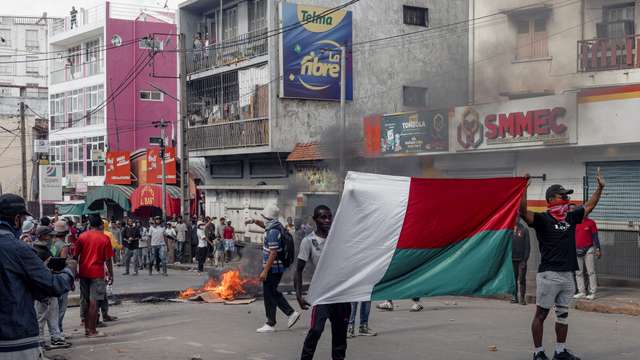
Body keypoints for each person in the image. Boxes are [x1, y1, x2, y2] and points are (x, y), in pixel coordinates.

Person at [520, 169, 605, 360]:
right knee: (541, 314)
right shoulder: (542, 219)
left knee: (563, 316)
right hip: (549, 274)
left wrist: (600, 188)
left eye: (567, 195)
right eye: (563, 195)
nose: (566, 198)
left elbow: (589, 206)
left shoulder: (571, 217)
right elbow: (522, 212)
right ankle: (538, 353)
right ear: (551, 199)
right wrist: (523, 190)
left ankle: (560, 351)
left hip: (567, 274)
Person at [0, 194, 76, 359]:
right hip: (16, 341)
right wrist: (69, 270)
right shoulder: (18, 249)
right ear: (17, 219)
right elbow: (52, 285)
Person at [295, 205, 348, 359]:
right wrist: (299, 295)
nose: (327, 220)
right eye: (323, 217)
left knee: (340, 337)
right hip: (321, 295)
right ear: (314, 219)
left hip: (340, 295)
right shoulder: (308, 241)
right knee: (316, 331)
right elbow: (298, 270)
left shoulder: (338, 238)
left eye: (329, 217)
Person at [257, 203, 300, 333]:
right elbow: (264, 226)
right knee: (270, 293)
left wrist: (265, 271)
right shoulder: (275, 226)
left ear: (268, 217)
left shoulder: (273, 231)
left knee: (271, 293)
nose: (263, 218)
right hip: (275, 268)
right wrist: (253, 221)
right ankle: (272, 321)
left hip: (273, 268)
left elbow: (273, 252)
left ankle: (287, 314)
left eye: (264, 216)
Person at [75, 214, 114, 337]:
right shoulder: (104, 238)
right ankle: (92, 330)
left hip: (84, 272)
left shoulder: (82, 237)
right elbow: (108, 260)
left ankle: (87, 329)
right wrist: (111, 274)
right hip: (97, 272)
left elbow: (75, 256)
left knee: (86, 301)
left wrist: (75, 271)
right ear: (101, 225)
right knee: (94, 303)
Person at [33, 225, 72, 350]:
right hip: (42, 288)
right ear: (43, 236)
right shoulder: (36, 250)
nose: (52, 238)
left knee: (53, 314)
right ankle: (39, 341)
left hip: (50, 285)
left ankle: (56, 338)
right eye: (50, 235)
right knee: (41, 316)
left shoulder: (45, 248)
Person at [571, 204, 601, 300]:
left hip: (589, 249)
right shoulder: (573, 222)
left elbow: (595, 237)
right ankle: (582, 292)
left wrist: (598, 249)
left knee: (590, 271)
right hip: (576, 250)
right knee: (578, 272)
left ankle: (592, 292)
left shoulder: (591, 223)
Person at [50, 220, 72, 339]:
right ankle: (59, 331)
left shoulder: (53, 243)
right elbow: (62, 263)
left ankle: (56, 331)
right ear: (65, 232)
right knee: (61, 306)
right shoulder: (64, 246)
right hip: (61, 278)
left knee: (55, 307)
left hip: (52, 276)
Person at [512, 217, 531, 305]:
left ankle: (522, 298)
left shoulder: (524, 230)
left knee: (522, 279)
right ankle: (514, 297)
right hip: (511, 259)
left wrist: (525, 260)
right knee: (513, 279)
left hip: (521, 260)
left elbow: (527, 247)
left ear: (519, 218)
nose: (516, 219)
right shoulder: (509, 230)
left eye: (517, 217)